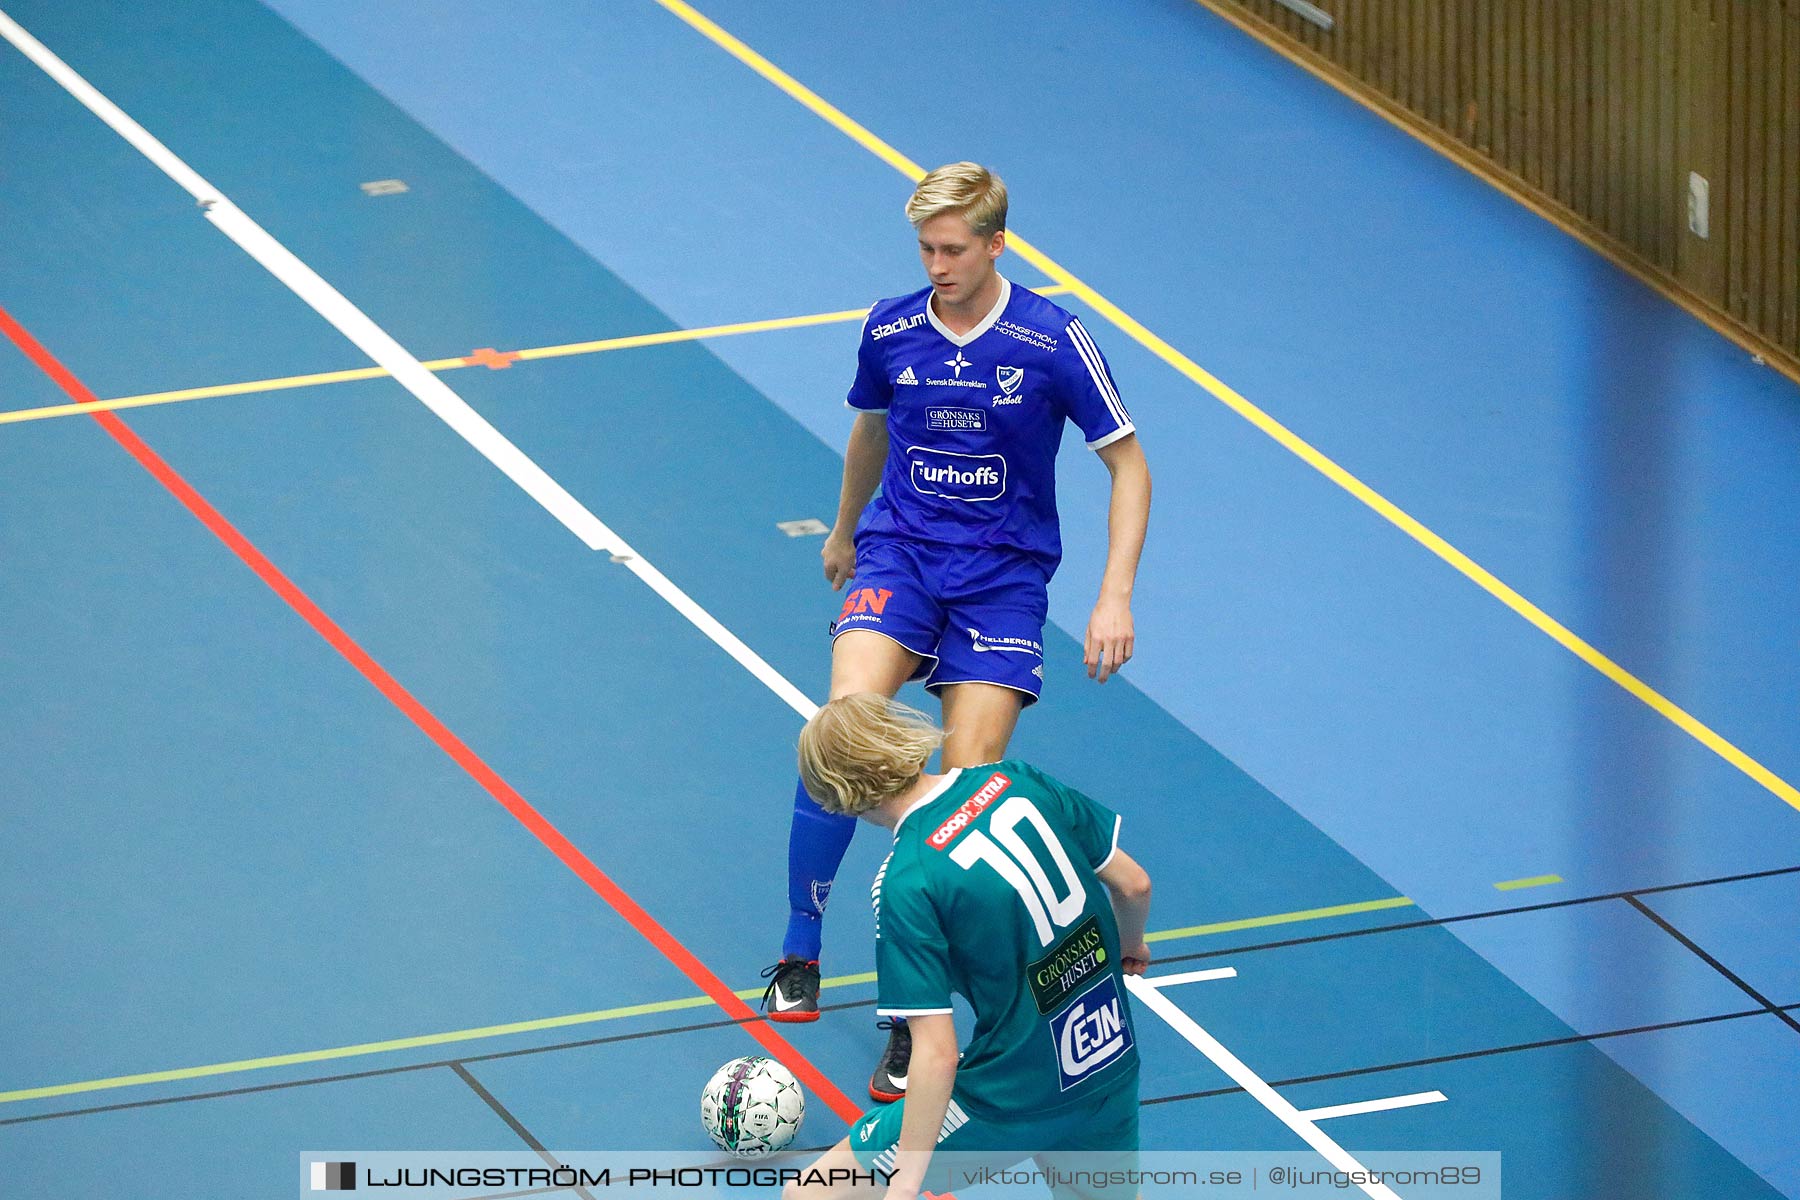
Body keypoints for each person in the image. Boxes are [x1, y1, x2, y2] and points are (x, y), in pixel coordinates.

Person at [762, 161, 1152, 1104]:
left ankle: (909, 1016)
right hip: (900, 555)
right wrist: (848, 527)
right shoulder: (892, 325)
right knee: (843, 730)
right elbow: (871, 432)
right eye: (925, 249)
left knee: (962, 799)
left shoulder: (1053, 339)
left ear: (995, 244)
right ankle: (799, 949)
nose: (935, 265)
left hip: (1002, 582)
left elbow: (1130, 467)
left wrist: (1114, 596)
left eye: (951, 249)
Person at [782, 694, 1152, 1200]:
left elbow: (936, 1054)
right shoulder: (1017, 779)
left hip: (1009, 1094)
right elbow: (1133, 886)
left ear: (842, 795)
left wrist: (905, 1186)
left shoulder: (907, 881)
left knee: (814, 1194)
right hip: (1108, 1064)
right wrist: (1131, 943)